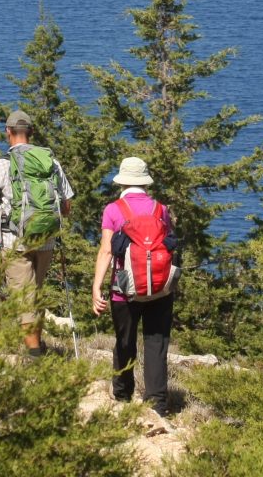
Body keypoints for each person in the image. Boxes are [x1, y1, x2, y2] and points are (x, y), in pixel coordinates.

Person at [0, 109, 73, 355]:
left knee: (24, 301)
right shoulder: (51, 162)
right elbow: (66, 207)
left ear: (8, 132)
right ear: (31, 132)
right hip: (46, 240)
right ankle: (37, 347)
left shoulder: (1, 165)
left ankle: (35, 357)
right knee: (36, 295)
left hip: (15, 242)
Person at [91, 156, 174, 416]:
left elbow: (106, 251)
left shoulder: (114, 210)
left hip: (124, 286)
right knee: (156, 342)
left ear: (122, 182)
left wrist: (96, 287)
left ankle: (122, 393)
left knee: (124, 340)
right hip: (159, 287)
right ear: (145, 183)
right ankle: (157, 403)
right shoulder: (161, 209)